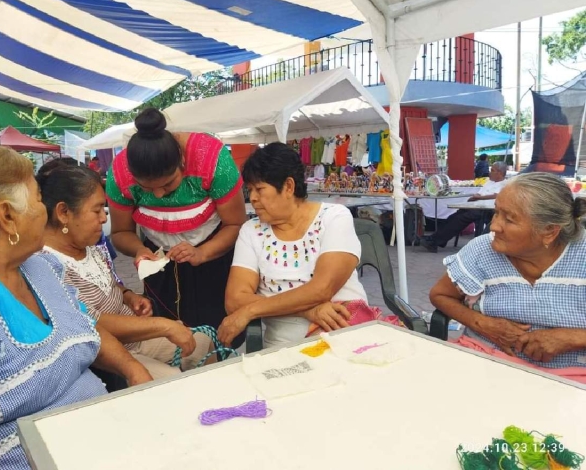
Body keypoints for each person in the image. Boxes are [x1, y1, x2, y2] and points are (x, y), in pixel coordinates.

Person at [0, 145, 152, 470]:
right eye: (39, 198)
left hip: (104, 439)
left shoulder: (37, 266)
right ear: (7, 216)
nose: (45, 211)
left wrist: (133, 370)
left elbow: (85, 328)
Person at [38, 165, 214, 379]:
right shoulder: (46, 265)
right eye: (97, 210)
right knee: (170, 380)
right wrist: (162, 326)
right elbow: (93, 322)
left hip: (136, 338)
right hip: (108, 354)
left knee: (203, 343)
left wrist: (129, 296)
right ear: (63, 212)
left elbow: (111, 285)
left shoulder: (90, 248)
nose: (104, 218)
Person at [218, 143, 392, 348]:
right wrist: (308, 310)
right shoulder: (251, 231)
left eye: (259, 189)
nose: (253, 198)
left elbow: (321, 289)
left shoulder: (333, 217)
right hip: (282, 347)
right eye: (250, 190)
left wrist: (250, 309)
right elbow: (234, 300)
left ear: (289, 187)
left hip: (343, 335)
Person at [429, 173, 586, 381]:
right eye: (496, 213)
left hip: (571, 377)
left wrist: (573, 337)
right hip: (485, 361)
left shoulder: (581, 256)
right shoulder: (482, 249)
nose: (494, 226)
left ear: (549, 231)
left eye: (509, 219)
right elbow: (440, 295)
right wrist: (482, 324)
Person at [106, 108, 246, 335]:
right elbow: (121, 232)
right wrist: (140, 250)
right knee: (167, 327)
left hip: (214, 252)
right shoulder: (120, 173)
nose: (159, 195)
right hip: (157, 256)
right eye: (147, 188)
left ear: (182, 160)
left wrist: (202, 253)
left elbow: (236, 224)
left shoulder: (212, 159)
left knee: (215, 324)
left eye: (169, 184)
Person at [421, 161, 508, 252]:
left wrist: (479, 197)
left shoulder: (505, 184)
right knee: (453, 217)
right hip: (476, 205)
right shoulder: (489, 182)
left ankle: (435, 241)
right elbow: (479, 193)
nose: (489, 172)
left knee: (460, 219)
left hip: (486, 209)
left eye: (492, 170)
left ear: (500, 173)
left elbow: (496, 196)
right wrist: (475, 197)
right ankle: (437, 239)